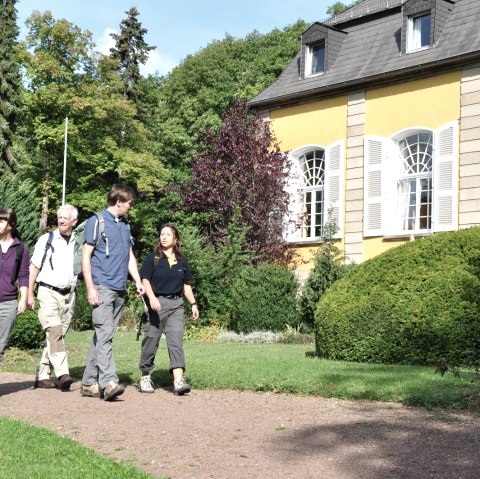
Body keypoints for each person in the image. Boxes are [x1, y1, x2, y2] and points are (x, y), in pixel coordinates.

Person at [80, 184, 144, 401]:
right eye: (129, 204)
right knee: (105, 334)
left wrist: (137, 280)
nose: (130, 208)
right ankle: (108, 382)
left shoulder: (125, 225)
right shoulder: (96, 221)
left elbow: (129, 255)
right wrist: (90, 287)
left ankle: (88, 382)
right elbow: (85, 255)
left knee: (103, 336)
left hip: (120, 288)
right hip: (102, 287)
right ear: (119, 201)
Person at [138, 223, 199, 396]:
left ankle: (178, 381)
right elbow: (145, 280)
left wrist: (193, 303)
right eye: (162, 234)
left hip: (176, 305)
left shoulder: (181, 260)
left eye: (168, 234)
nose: (164, 237)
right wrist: (152, 298)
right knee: (151, 341)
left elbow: (185, 284)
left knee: (176, 342)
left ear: (175, 239)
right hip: (156, 304)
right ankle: (145, 376)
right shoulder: (153, 258)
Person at [27, 204, 78, 390]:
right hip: (47, 292)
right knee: (54, 332)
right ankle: (63, 373)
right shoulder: (46, 239)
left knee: (57, 336)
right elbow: (34, 266)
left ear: (74, 221)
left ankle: (42, 374)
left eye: (65, 217)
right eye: (59, 217)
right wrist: (29, 293)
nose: (61, 220)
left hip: (69, 296)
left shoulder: (79, 242)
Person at [0, 209, 29, 366]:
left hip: (8, 303)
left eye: (1, 221)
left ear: (11, 225)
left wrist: (23, 298)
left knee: (0, 346)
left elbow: (23, 275)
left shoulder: (21, 249)